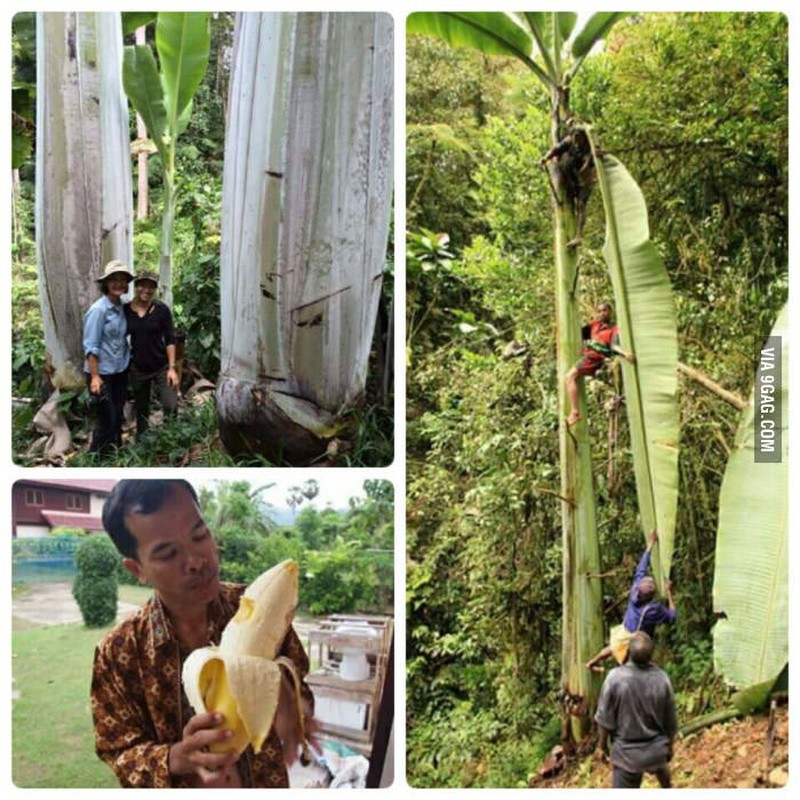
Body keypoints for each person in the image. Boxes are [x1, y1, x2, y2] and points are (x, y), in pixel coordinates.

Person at [90, 480, 316, 788]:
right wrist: (177, 758)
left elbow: (301, 687)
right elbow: (116, 750)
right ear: (137, 570)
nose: (198, 561)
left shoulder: (258, 609)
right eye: (168, 554)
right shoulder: (117, 653)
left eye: (200, 535)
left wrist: (292, 702)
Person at [594, 631, 679, 788]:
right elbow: (671, 721)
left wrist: (602, 746)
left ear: (628, 653)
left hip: (627, 755)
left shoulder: (615, 678)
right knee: (661, 768)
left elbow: (604, 718)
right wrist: (670, 747)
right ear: (651, 656)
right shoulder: (662, 678)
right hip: (656, 751)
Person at [586, 529, 676, 672]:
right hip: (635, 640)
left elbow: (641, 568)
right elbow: (672, 617)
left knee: (612, 648)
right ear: (652, 596)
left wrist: (650, 545)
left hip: (624, 630)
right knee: (634, 664)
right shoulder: (653, 609)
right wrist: (670, 593)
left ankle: (591, 663)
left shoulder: (636, 589)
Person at [83, 260, 133, 456]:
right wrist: (95, 377)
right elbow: (90, 346)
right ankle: (94, 457)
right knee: (107, 418)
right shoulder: (98, 310)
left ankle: (115, 452)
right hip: (101, 373)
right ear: (106, 284)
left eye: (122, 280)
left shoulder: (122, 306)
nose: (118, 284)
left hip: (119, 370)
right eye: (114, 280)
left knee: (118, 413)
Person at [124, 270, 179, 438]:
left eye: (151, 287)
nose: (146, 290)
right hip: (138, 368)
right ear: (136, 286)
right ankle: (143, 442)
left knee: (171, 405)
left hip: (161, 365)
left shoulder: (161, 310)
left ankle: (171, 438)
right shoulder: (125, 310)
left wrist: (172, 368)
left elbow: (170, 339)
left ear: (155, 289)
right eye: (142, 285)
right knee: (141, 408)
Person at [564, 301, 635, 426]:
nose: (602, 313)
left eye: (605, 311)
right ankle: (574, 412)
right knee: (570, 377)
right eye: (600, 311)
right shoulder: (594, 325)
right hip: (588, 356)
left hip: (594, 358)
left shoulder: (614, 330)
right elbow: (578, 333)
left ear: (610, 312)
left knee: (569, 376)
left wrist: (625, 353)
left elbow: (614, 346)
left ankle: (575, 413)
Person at [539, 122, 597, 248]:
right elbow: (556, 149)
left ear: (584, 138)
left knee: (581, 206)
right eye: (574, 137)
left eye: (579, 138)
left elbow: (587, 166)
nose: (576, 140)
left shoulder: (589, 148)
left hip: (585, 181)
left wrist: (587, 164)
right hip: (572, 178)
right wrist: (546, 158)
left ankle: (578, 236)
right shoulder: (569, 141)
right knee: (564, 160)